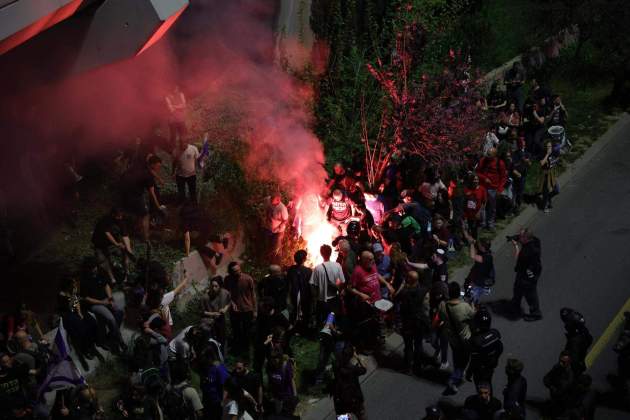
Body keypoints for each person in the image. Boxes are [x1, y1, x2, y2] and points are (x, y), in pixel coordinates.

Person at [80, 258, 126, 354]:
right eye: (92, 268)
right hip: (95, 304)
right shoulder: (84, 280)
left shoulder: (100, 271)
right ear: (87, 269)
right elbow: (87, 298)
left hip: (106, 299)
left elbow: (106, 285)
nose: (95, 269)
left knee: (119, 312)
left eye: (95, 267)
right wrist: (102, 303)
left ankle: (111, 335)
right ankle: (120, 341)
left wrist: (110, 299)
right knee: (111, 319)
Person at [440, 282, 475, 396]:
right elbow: (473, 315)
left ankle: (457, 373)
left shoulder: (442, 305)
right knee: (464, 361)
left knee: (456, 356)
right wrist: (472, 305)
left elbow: (441, 317)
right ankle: (453, 379)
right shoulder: (464, 306)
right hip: (465, 339)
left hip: (452, 339)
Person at [120, 155, 165, 243]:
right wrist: (158, 206)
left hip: (124, 190)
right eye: (158, 166)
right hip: (134, 194)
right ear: (153, 164)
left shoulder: (142, 166)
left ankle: (137, 230)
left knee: (139, 212)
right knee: (145, 215)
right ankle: (146, 238)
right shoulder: (148, 176)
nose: (159, 168)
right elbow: (152, 194)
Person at [395, 270, 430, 374]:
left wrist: (402, 285)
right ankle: (417, 366)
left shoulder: (404, 292)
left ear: (409, 279)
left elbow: (395, 297)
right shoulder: (424, 290)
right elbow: (426, 307)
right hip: (419, 322)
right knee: (418, 344)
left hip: (408, 323)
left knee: (408, 345)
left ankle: (408, 367)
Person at [91, 207, 133, 284]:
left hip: (113, 244)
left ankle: (127, 273)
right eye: (118, 216)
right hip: (100, 244)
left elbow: (125, 236)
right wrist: (116, 244)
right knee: (104, 261)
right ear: (113, 215)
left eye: (121, 216)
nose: (120, 217)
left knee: (126, 253)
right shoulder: (105, 221)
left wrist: (128, 250)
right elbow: (107, 234)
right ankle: (112, 279)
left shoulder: (121, 221)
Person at [224, 262, 257, 357]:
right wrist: (232, 303)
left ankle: (246, 350)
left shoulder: (247, 279)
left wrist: (255, 310)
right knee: (236, 330)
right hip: (234, 311)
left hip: (247, 309)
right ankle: (237, 350)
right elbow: (227, 294)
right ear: (230, 272)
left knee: (247, 330)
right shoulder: (227, 280)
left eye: (239, 270)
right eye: (235, 271)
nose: (238, 272)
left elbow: (253, 295)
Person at [509, 229, 543, 321]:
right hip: (535, 269)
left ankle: (536, 313)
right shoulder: (536, 241)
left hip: (528, 275)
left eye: (521, 236)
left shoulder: (526, 252)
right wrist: (517, 237)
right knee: (517, 287)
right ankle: (515, 304)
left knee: (530, 294)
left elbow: (518, 258)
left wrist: (516, 246)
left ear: (525, 239)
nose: (519, 237)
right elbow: (525, 238)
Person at [466, 308, 503, 388]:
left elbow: (474, 361)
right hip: (491, 366)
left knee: (481, 387)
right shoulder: (495, 333)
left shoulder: (475, 341)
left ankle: (485, 399)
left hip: (480, 369)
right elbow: (500, 348)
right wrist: (495, 358)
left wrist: (469, 373)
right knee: (488, 383)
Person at [309, 245, 346, 326]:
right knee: (331, 317)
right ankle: (329, 330)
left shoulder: (318, 268)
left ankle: (324, 332)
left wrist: (315, 297)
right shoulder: (337, 265)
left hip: (321, 300)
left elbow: (313, 284)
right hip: (334, 298)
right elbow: (343, 281)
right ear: (331, 253)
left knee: (322, 319)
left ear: (321, 254)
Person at [331, 343, 367, 420]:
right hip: (355, 398)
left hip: (340, 402)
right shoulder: (353, 369)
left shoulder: (335, 366)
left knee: (343, 418)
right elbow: (364, 369)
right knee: (361, 416)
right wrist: (358, 357)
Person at [462, 230, 495, 307]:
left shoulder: (487, 257)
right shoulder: (483, 248)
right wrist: (464, 230)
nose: (478, 244)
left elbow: (473, 256)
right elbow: (471, 239)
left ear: (483, 247)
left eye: (479, 244)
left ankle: (473, 308)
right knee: (469, 290)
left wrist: (472, 244)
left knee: (474, 297)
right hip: (475, 275)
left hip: (480, 280)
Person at [477, 148, 507, 230]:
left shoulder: (499, 163)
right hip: (483, 187)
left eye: (489, 154)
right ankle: (482, 223)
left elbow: (503, 177)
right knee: (482, 206)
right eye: (487, 153)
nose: (487, 156)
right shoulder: (483, 160)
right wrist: (484, 178)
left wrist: (500, 190)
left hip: (493, 188)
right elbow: (477, 172)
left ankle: (490, 223)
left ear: (494, 155)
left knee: (492, 207)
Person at [286, 250, 313, 333]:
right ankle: (303, 329)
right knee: (305, 312)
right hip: (304, 295)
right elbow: (310, 285)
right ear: (304, 259)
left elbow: (288, 282)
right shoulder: (308, 271)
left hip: (294, 294)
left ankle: (294, 329)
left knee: (295, 312)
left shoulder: (290, 269)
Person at [201, 277, 231, 351]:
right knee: (212, 342)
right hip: (209, 322)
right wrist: (213, 314)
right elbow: (202, 312)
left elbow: (229, 302)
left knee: (222, 339)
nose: (213, 288)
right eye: (212, 286)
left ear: (220, 286)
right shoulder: (205, 297)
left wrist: (225, 309)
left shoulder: (225, 293)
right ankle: (214, 357)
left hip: (221, 320)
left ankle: (223, 357)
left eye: (216, 286)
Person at [561, 307, 593, 375]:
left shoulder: (574, 342)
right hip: (581, 345)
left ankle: (578, 375)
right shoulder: (583, 330)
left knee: (571, 360)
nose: (566, 325)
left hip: (577, 352)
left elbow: (574, 360)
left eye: (567, 323)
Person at [543, 351, 575, 418]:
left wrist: (554, 387)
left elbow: (564, 387)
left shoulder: (570, 375)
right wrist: (551, 386)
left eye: (563, 362)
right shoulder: (557, 367)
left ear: (569, 362)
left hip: (563, 401)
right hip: (555, 398)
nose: (560, 363)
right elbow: (546, 378)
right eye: (560, 360)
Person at [172, 138, 200, 204]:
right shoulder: (176, 150)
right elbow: (174, 163)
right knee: (181, 193)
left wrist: (201, 164)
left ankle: (194, 205)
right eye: (181, 144)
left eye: (184, 144)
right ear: (179, 144)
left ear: (187, 142)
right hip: (180, 175)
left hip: (192, 175)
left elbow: (198, 159)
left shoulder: (193, 149)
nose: (183, 146)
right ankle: (182, 206)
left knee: (192, 191)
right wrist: (173, 172)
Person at [264, 194, 289, 261]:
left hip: (278, 231)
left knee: (276, 249)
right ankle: (266, 261)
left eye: (273, 200)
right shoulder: (268, 200)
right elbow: (266, 208)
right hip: (268, 228)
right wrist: (266, 217)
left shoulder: (282, 208)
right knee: (267, 245)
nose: (271, 201)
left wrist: (279, 227)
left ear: (278, 200)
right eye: (271, 199)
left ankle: (277, 264)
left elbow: (286, 220)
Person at [463, 175, 486, 240]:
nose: (476, 181)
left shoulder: (482, 189)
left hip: (477, 214)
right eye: (474, 179)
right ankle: (472, 241)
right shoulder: (466, 189)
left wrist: (479, 212)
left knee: (477, 229)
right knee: (470, 228)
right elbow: (464, 202)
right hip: (469, 214)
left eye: (477, 179)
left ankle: (477, 241)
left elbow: (484, 202)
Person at [538, 141, 559, 213]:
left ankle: (549, 198)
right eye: (547, 147)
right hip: (545, 174)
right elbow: (541, 163)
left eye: (550, 146)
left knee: (556, 190)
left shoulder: (553, 152)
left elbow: (556, 159)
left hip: (552, 173)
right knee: (545, 191)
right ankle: (545, 206)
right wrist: (547, 155)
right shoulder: (543, 153)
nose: (549, 148)